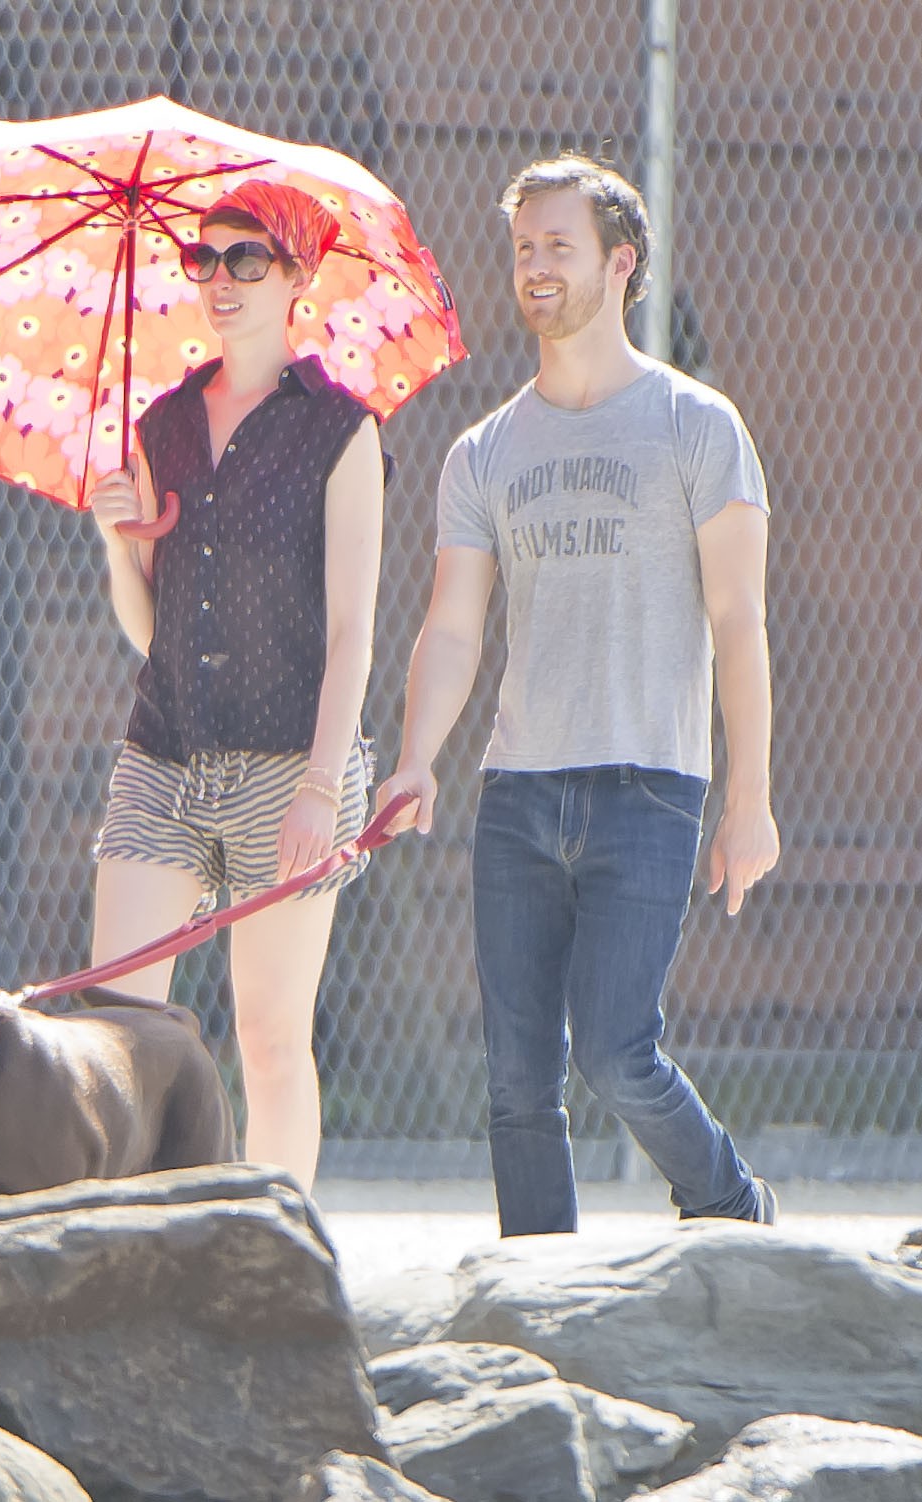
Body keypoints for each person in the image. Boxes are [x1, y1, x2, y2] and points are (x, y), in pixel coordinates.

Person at [378, 154, 780, 1236]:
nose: (535, 267)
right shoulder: (483, 449)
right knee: (517, 1081)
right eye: (522, 248)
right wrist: (416, 758)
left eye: (558, 246)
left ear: (620, 262)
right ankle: (541, 1306)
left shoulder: (698, 425)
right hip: (516, 794)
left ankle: (730, 1205)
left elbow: (739, 622)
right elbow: (453, 626)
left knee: (613, 1047)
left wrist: (751, 800)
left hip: (649, 787)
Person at [86, 181, 386, 1193]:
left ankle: (278, 1248)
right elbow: (148, 631)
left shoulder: (340, 433)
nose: (219, 279)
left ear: (296, 277)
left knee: (266, 1032)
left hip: (288, 765)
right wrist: (115, 543)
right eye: (204, 259)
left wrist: (320, 786)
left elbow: (353, 634)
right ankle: (118, 1254)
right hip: (164, 754)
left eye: (246, 259)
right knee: (120, 1029)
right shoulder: (163, 423)